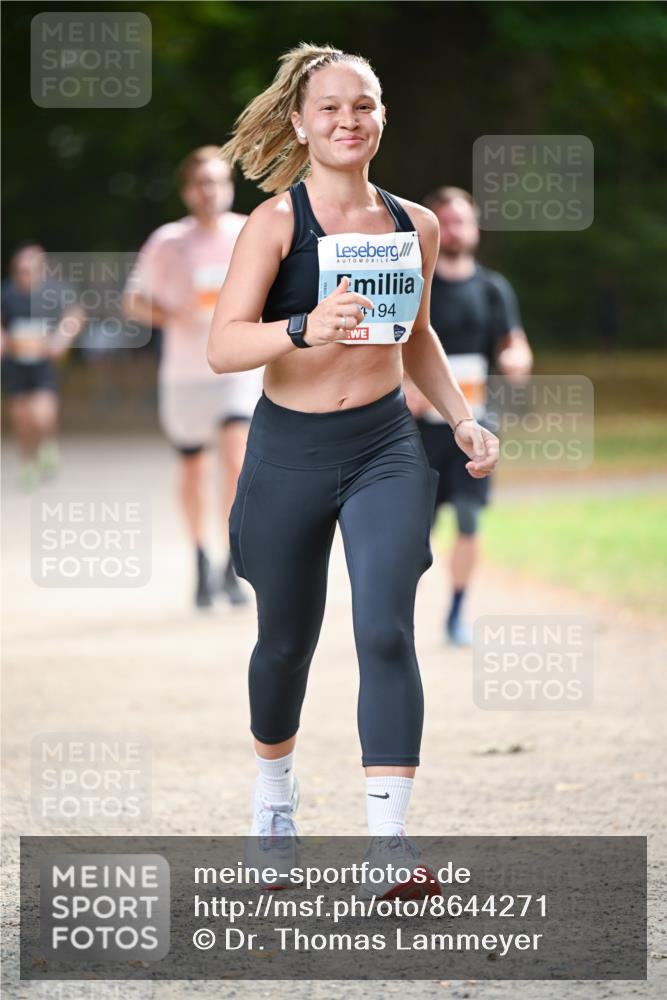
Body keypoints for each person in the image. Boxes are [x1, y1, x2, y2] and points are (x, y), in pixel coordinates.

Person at [208, 44, 499, 898]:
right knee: (284, 643)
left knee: (384, 631)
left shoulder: (416, 225)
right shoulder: (275, 223)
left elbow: (417, 335)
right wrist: (304, 327)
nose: (348, 121)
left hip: (383, 449)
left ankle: (387, 844)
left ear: (381, 116)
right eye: (330, 108)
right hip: (288, 451)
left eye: (362, 105)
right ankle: (273, 802)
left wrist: (459, 416)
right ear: (300, 123)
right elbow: (225, 344)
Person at [123, 147, 263, 608]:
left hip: (238, 369)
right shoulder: (168, 241)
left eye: (218, 182)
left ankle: (231, 559)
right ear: (187, 191)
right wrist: (172, 312)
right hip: (185, 373)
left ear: (229, 187)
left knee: (237, 461)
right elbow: (133, 301)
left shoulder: (250, 231)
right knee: (193, 468)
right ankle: (201, 557)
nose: (210, 191)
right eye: (201, 183)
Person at [403, 187, 533, 646]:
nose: (455, 229)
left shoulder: (493, 288)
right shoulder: (416, 285)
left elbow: (514, 342)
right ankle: (399, 615)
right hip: (418, 431)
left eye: (462, 221)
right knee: (413, 531)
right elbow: (393, 346)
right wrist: (406, 388)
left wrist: (517, 359)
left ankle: (457, 612)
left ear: (475, 228)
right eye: (446, 221)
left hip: (475, 425)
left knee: (468, 518)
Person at [1, 243, 85, 490]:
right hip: (16, 364)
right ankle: (28, 463)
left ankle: (48, 444)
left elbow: (75, 316)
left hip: (44, 365)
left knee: (42, 414)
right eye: (22, 270)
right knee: (21, 417)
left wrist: (62, 338)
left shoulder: (54, 293)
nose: (26, 275)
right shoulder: (7, 294)